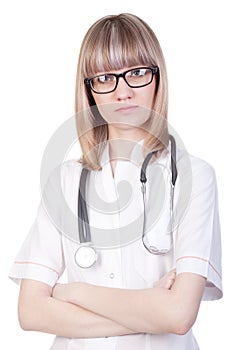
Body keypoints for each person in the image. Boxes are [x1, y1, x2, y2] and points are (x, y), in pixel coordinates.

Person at [9, 13, 222, 350]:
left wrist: (72, 292)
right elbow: (31, 311)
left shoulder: (194, 178)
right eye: (105, 77)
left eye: (136, 73)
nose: (122, 92)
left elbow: (179, 315)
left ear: (157, 78)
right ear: (89, 89)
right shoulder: (64, 181)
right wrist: (149, 309)